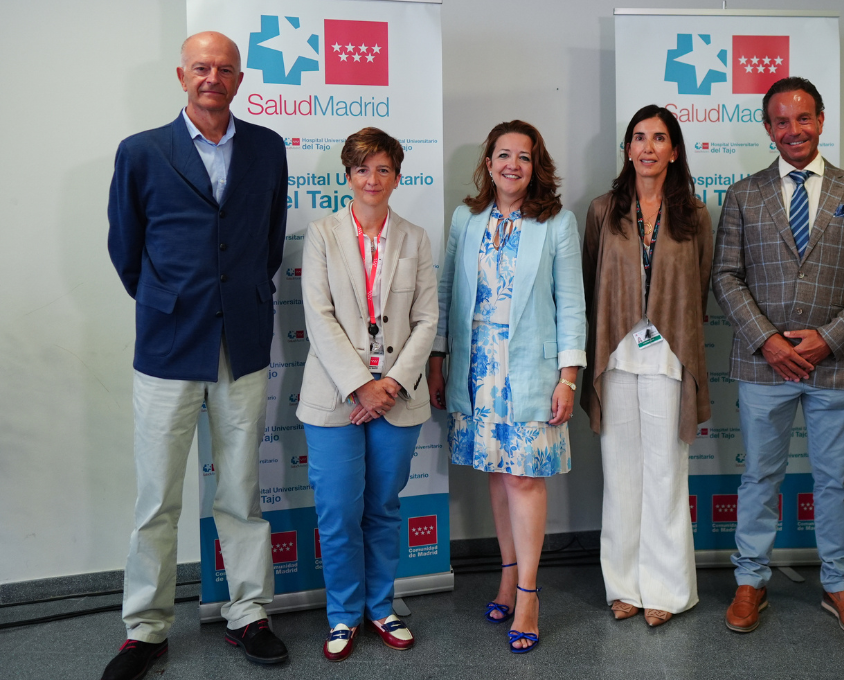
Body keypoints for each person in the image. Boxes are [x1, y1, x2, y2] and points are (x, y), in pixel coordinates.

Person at [103, 31, 289, 680]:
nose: (213, 77)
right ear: (182, 75)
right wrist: (170, 301)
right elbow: (126, 250)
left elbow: (268, 245)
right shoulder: (142, 153)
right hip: (167, 347)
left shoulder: (267, 149)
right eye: (201, 68)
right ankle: (145, 631)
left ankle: (249, 615)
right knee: (157, 499)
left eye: (225, 69)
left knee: (241, 491)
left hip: (241, 343)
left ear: (240, 80)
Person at [712, 76, 844, 638]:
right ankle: (751, 580)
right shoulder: (743, 195)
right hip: (764, 363)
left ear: (821, 120)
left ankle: (839, 584)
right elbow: (726, 275)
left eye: (804, 118)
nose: (794, 130)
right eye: (781, 121)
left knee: (834, 481)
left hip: (833, 362)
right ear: (768, 128)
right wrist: (767, 339)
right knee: (760, 476)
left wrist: (828, 338)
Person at [427, 120, 585, 653]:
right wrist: (437, 359)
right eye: (502, 155)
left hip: (532, 372)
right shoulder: (465, 218)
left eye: (523, 156)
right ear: (488, 163)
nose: (512, 164)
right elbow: (446, 292)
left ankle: (529, 594)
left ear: (535, 165)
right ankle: (506, 574)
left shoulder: (557, 223)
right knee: (497, 475)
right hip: (477, 369)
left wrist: (569, 377)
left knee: (523, 479)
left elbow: (572, 305)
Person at [296, 127, 438, 661]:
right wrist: (361, 386)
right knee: (336, 511)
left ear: (398, 177)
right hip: (335, 396)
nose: (372, 179)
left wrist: (390, 385)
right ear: (348, 176)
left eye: (383, 169)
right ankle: (341, 615)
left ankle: (380, 607)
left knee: (381, 507)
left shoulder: (415, 238)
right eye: (362, 169)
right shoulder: (322, 234)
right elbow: (319, 314)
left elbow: (426, 320)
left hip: (397, 396)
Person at [581, 105, 711, 627]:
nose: (649, 147)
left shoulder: (694, 214)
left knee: (665, 475)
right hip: (615, 359)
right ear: (628, 149)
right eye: (639, 138)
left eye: (660, 138)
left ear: (674, 151)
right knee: (621, 475)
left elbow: (699, 286)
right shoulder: (602, 210)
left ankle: (667, 588)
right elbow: (591, 282)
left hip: (668, 360)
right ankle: (625, 585)